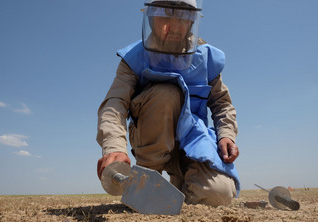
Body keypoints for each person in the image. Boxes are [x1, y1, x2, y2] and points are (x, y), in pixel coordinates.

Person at [97, 0, 240, 207]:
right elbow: (115, 103)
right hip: (151, 140)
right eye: (165, 16)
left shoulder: (206, 57)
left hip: (193, 140)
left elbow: (222, 103)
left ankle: (181, 183)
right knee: (167, 92)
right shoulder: (134, 58)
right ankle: (147, 180)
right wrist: (114, 147)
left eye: (182, 18)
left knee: (217, 195)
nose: (174, 27)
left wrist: (227, 134)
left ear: (192, 21)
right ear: (151, 18)